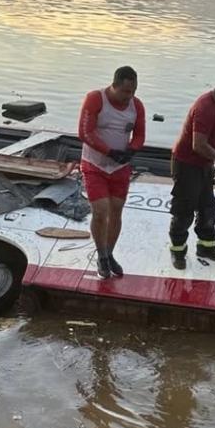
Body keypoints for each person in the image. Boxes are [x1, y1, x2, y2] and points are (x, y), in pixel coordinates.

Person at [168, 75, 215, 270]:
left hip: (204, 164)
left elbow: (212, 138)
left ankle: (206, 247)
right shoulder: (205, 107)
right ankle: (178, 252)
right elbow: (198, 145)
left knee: (207, 208)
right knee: (184, 212)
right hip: (187, 165)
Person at [77, 66, 146, 279]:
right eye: (125, 92)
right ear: (114, 86)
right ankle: (101, 254)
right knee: (101, 210)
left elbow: (140, 135)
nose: (129, 96)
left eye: (133, 91)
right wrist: (108, 151)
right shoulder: (95, 99)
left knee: (116, 210)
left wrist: (132, 149)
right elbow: (84, 132)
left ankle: (109, 253)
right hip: (95, 164)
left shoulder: (136, 106)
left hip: (119, 167)